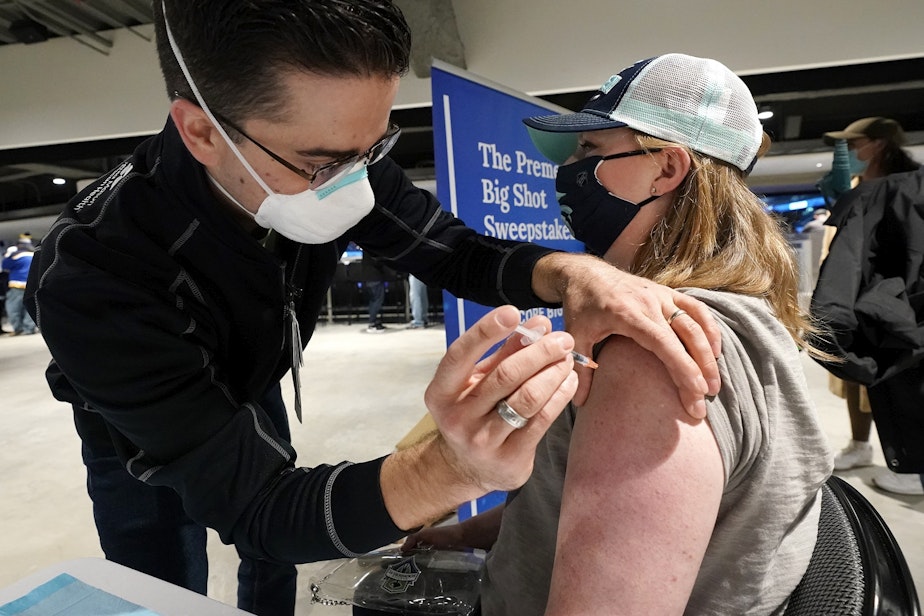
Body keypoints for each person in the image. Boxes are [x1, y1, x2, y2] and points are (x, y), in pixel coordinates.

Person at [23, 4, 723, 616]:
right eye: (323, 164)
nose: (356, 185)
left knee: (274, 567)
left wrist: (568, 273)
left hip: (254, 369)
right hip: (132, 416)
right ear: (202, 133)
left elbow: (449, 250)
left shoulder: (330, 148)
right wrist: (454, 469)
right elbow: (261, 507)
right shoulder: (94, 275)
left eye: (374, 149)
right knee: (159, 570)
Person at [405, 53, 833, 615]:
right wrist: (476, 533)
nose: (568, 169)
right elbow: (605, 504)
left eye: (591, 150)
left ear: (666, 169)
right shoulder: (736, 311)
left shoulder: (651, 350)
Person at [815, 117, 921, 495]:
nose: (850, 153)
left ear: (876, 144)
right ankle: (865, 448)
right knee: (858, 381)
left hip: (891, 301)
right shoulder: (864, 188)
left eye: (855, 144)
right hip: (865, 300)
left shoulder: (905, 188)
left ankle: (912, 466)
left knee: (902, 380)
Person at [2, 234, 37, 336]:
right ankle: (29, 329)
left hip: (17, 285)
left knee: (13, 308)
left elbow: (5, 265)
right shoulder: (34, 254)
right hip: (31, 285)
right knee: (29, 308)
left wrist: (8, 254)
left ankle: (18, 328)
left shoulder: (16, 255)